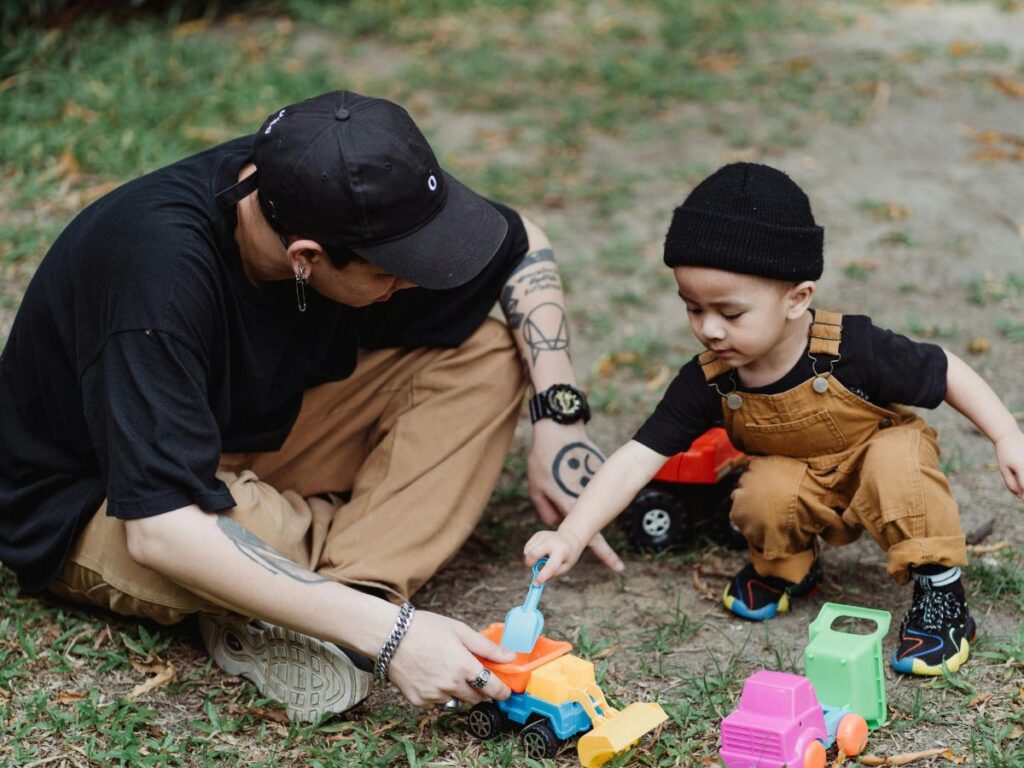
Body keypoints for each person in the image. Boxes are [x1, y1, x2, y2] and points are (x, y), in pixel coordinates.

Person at [0, 90, 623, 721]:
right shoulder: (154, 269)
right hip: (99, 497)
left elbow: (521, 242)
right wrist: (396, 639)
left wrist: (558, 416)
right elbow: (162, 531)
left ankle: (340, 596)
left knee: (488, 355)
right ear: (306, 258)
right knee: (246, 539)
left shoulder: (337, 181)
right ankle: (338, 592)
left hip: (245, 432)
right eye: (392, 273)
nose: (412, 282)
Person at [524, 162, 1024, 676]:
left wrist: (1006, 435)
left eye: (730, 313)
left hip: (876, 465)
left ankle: (940, 592)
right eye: (693, 308)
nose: (709, 329)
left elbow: (944, 371)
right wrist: (571, 534)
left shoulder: (852, 349)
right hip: (803, 480)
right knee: (762, 489)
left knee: (900, 462)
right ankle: (787, 568)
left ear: (797, 298)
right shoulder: (709, 380)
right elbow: (636, 459)